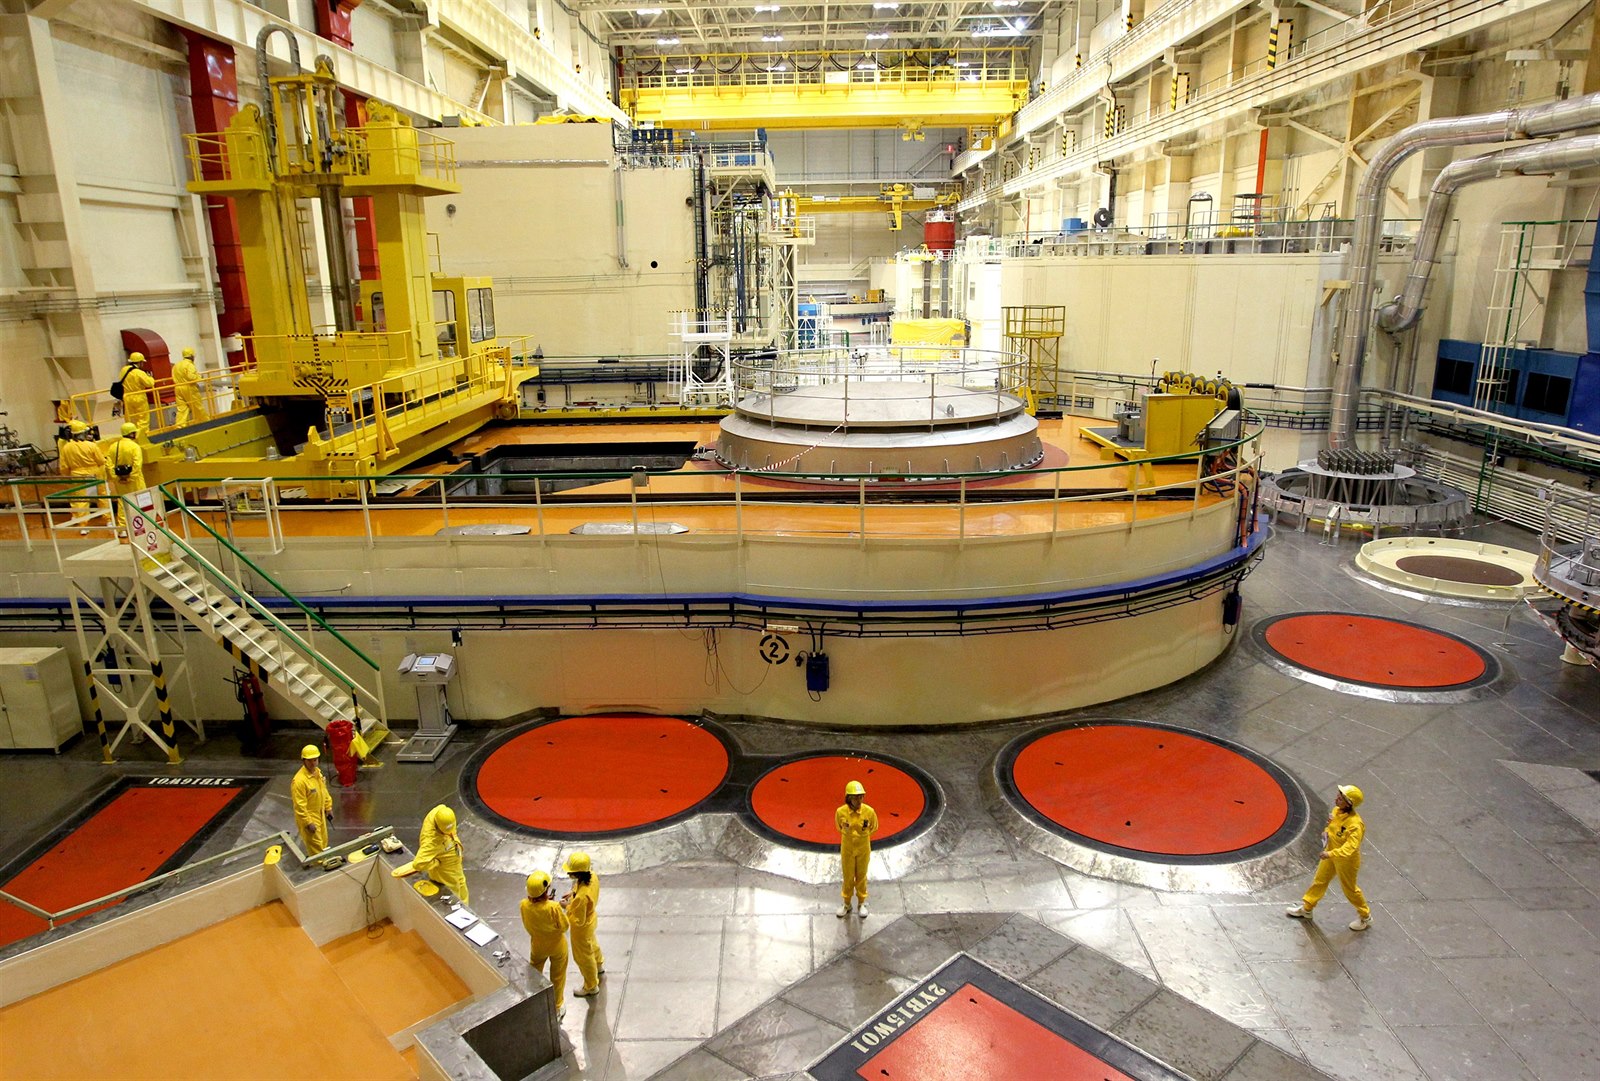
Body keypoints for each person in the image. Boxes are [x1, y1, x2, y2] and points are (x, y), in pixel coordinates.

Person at [1287, 784, 1372, 931]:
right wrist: (1326, 832)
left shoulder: (1355, 825)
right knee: (1320, 881)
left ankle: (1365, 916)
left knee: (1350, 889)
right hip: (1330, 853)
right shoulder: (1336, 811)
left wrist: (1330, 853)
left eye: (1341, 798)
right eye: (1338, 795)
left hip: (1346, 861)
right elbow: (1331, 826)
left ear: (1349, 803)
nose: (1337, 799)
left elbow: (1350, 848)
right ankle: (1307, 908)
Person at [522, 870, 570, 1019]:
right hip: (557, 946)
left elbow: (527, 924)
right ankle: (557, 1006)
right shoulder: (553, 907)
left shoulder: (523, 905)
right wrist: (554, 905)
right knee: (558, 975)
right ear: (546, 890)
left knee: (535, 973)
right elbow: (564, 926)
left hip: (537, 945)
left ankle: (534, 999)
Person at [561, 851, 604, 998]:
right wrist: (572, 894)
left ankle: (591, 986)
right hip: (591, 920)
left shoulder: (581, 898)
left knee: (583, 957)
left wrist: (567, 906)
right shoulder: (592, 875)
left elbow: (578, 920)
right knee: (592, 944)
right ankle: (599, 965)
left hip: (581, 929)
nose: (569, 874)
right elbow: (580, 889)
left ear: (577, 874)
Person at [835, 779, 878, 918]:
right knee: (848, 877)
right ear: (848, 798)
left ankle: (861, 903)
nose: (859, 800)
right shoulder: (840, 812)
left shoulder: (869, 812)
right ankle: (846, 904)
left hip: (863, 848)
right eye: (855, 797)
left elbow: (874, 827)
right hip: (847, 849)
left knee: (861, 876)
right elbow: (838, 827)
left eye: (861, 797)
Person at [411, 804, 469, 903]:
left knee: (462, 884)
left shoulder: (441, 812)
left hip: (455, 863)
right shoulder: (432, 842)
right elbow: (418, 864)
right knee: (454, 895)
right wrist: (436, 863)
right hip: (446, 872)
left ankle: (466, 905)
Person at [59, 420, 107, 532]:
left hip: (77, 476)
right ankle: (109, 520)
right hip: (94, 474)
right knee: (102, 497)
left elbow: (64, 466)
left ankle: (83, 526)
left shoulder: (66, 448)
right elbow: (101, 461)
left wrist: (67, 477)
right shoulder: (92, 446)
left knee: (81, 500)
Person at [290, 745, 333, 855]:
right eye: (309, 760)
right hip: (310, 817)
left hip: (320, 814)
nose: (313, 763)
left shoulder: (317, 773)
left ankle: (325, 861)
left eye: (315, 760)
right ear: (304, 761)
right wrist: (308, 822)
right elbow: (299, 806)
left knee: (323, 843)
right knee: (316, 848)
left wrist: (328, 807)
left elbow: (323, 791)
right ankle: (319, 864)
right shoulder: (299, 781)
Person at [119, 353, 156, 435]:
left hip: (127, 397)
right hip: (139, 397)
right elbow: (149, 383)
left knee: (131, 419)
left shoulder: (123, 370)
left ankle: (131, 434)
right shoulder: (139, 372)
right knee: (143, 419)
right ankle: (143, 436)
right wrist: (150, 377)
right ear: (140, 362)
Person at [173, 347, 208, 426]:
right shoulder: (189, 365)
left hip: (178, 388)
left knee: (182, 409)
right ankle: (205, 422)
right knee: (197, 407)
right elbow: (191, 377)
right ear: (191, 356)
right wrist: (200, 377)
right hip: (189, 388)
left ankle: (180, 426)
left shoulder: (177, 365)